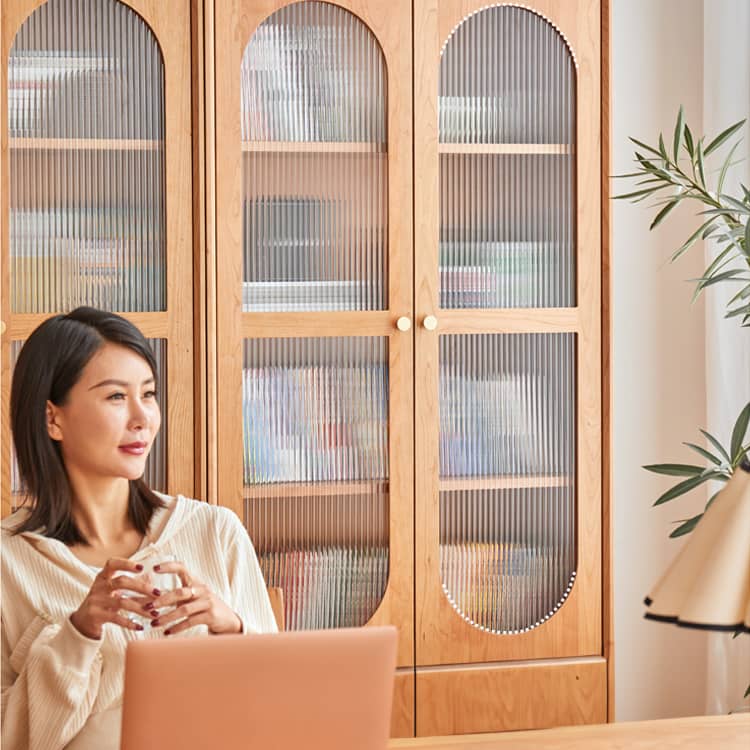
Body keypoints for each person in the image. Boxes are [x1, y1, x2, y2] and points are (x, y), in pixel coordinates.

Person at [1, 307, 277, 750]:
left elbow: (281, 704)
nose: (142, 418)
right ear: (53, 418)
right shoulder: (8, 562)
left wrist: (232, 629)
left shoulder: (214, 531)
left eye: (147, 394)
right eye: (115, 397)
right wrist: (79, 633)